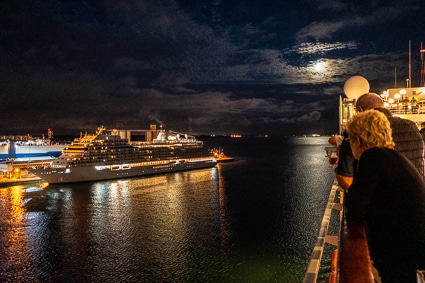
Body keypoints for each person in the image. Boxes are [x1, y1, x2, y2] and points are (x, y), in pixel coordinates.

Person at [345, 109, 425, 282]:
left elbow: (355, 207)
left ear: (357, 140)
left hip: (404, 248)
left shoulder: (372, 156)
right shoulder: (395, 157)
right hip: (413, 240)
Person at [336, 92, 425, 190]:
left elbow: (345, 180)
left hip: (379, 202)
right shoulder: (412, 126)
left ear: (361, 110)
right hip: (416, 196)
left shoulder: (358, 131)